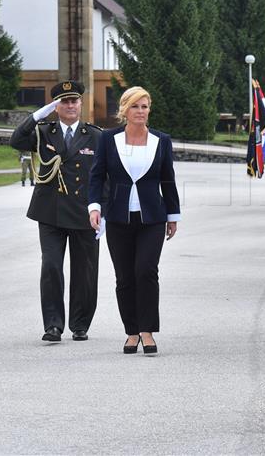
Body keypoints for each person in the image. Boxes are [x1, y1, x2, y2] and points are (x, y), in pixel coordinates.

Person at [88, 86, 180, 357]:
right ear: (125, 110)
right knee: (124, 277)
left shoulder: (161, 140)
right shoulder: (108, 139)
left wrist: (173, 215)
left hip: (152, 217)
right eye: (135, 106)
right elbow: (97, 176)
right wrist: (95, 207)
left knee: (146, 271)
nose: (141, 111)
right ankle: (131, 331)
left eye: (145, 106)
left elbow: (168, 179)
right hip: (117, 217)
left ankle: (147, 331)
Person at [10, 81, 103, 343]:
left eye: (74, 101)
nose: (70, 105)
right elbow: (16, 140)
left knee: (85, 270)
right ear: (56, 106)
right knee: (51, 266)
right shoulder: (43, 132)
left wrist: (102, 208)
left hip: (85, 211)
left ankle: (80, 324)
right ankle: (53, 325)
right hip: (50, 210)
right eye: (64, 101)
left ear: (81, 104)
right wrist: (37, 115)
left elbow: (104, 176)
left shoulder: (95, 135)